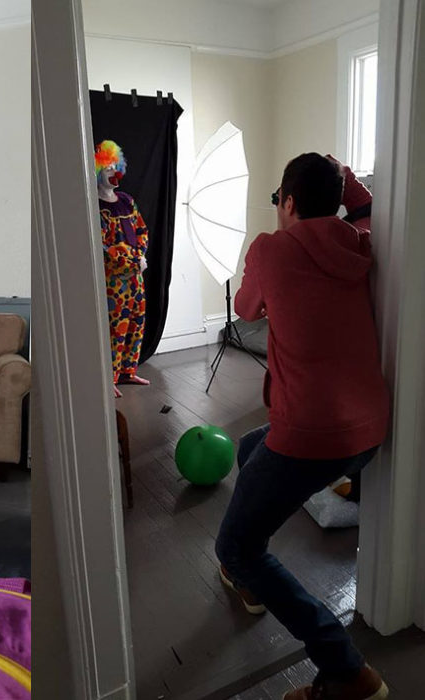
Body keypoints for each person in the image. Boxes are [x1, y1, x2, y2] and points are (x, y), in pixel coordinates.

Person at [214, 154, 390, 700]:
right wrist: (346, 179)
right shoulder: (361, 242)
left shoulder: (271, 249)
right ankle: (251, 577)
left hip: (310, 438)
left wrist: (266, 279)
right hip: (369, 432)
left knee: (235, 546)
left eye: (279, 201)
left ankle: (348, 673)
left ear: (288, 202)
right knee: (249, 448)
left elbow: (245, 309)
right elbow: (363, 208)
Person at [95, 140, 150, 398]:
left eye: (115, 166)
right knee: (116, 328)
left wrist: (141, 256)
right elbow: (105, 246)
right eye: (107, 167)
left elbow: (141, 230)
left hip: (136, 277)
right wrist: (133, 260)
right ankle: (110, 377)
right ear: (97, 170)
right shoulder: (96, 207)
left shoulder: (127, 201)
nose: (112, 171)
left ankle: (128, 371)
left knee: (137, 323)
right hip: (115, 281)